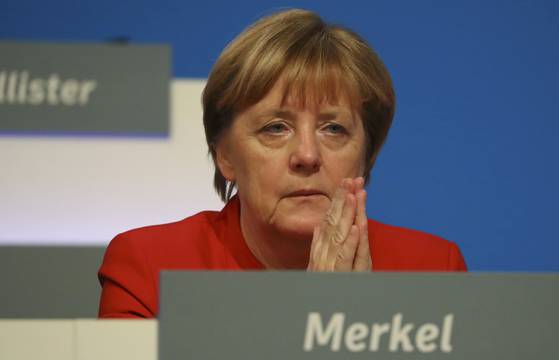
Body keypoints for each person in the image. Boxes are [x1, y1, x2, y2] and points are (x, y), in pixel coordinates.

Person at [98, 8, 466, 319]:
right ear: (224, 154)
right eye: (276, 128)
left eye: (333, 128)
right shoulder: (150, 269)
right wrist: (318, 320)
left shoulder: (431, 270)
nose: (307, 155)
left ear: (367, 154)